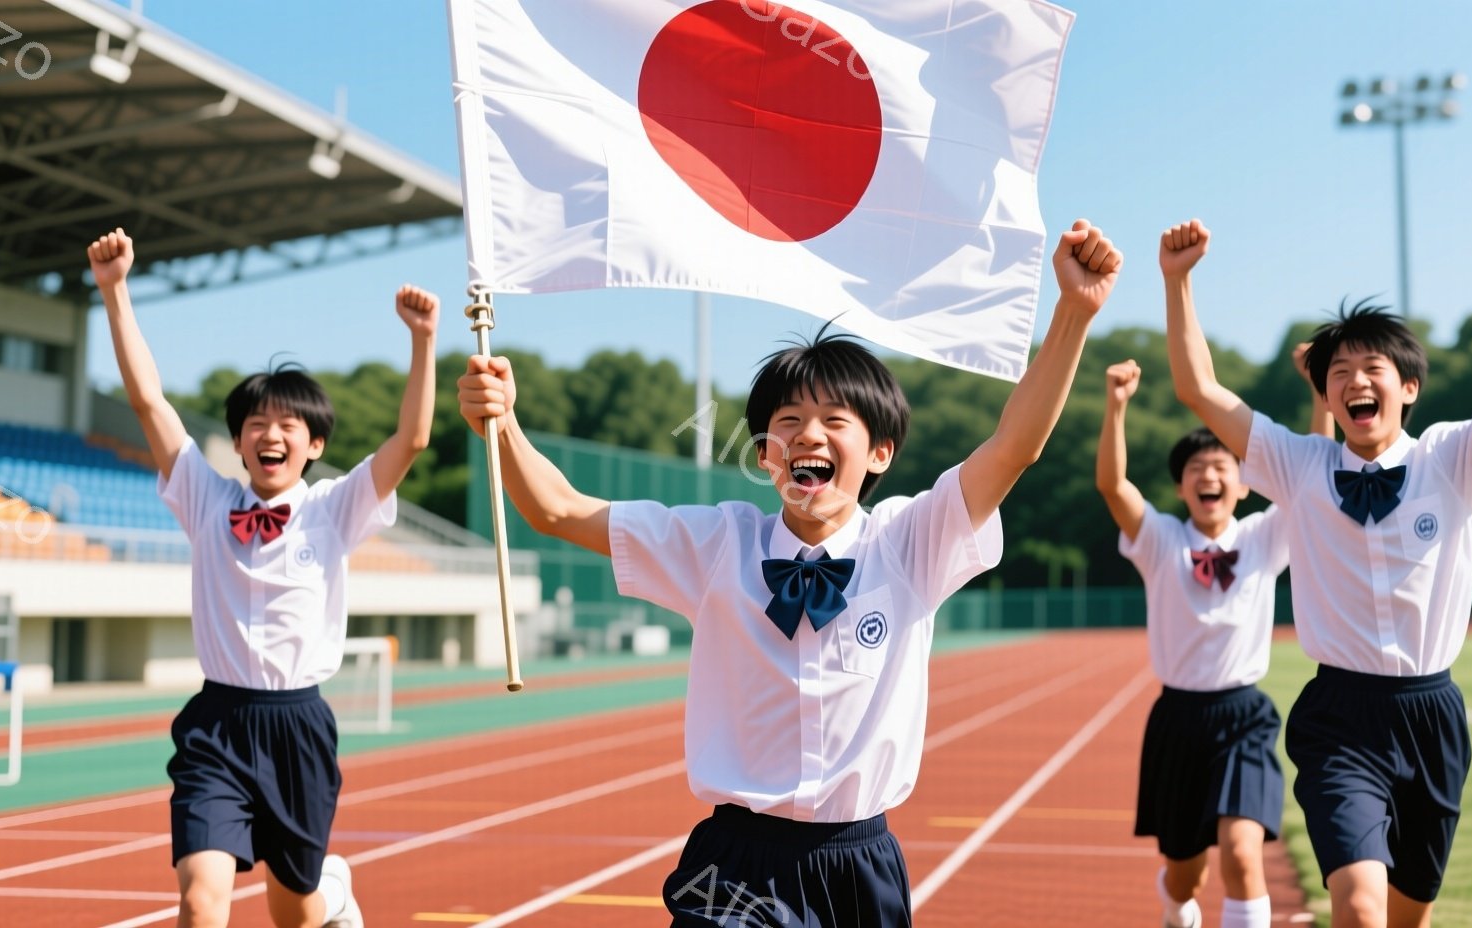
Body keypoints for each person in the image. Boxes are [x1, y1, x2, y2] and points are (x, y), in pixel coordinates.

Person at [457, 220, 1123, 926]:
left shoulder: (909, 542)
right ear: (768, 453)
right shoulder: (717, 543)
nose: (809, 434)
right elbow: (559, 511)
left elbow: (1014, 447)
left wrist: (1073, 313)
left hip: (859, 866)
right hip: (732, 860)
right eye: (788, 420)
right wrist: (504, 427)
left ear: (880, 454)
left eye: (836, 420)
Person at [1159, 215, 1472, 927]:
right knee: (1357, 902)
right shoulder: (1300, 465)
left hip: (1432, 716)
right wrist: (1179, 282)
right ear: (1326, 397)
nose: (1355, 382)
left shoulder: (1451, 459)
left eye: (1371, 369)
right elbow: (1200, 389)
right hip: (1340, 721)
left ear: (1408, 387)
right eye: (1339, 373)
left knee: (1409, 912)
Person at [89, 227, 440, 928]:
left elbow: (412, 441)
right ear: (239, 437)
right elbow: (151, 406)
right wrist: (115, 290)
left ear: (314, 446)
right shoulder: (205, 497)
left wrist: (423, 341)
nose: (269, 434)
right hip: (215, 726)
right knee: (200, 900)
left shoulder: (335, 507)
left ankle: (332, 891)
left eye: (287, 424)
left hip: (297, 726)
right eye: (255, 422)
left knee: (297, 915)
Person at [1098, 350, 1329, 928]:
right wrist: (1116, 407)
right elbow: (1112, 484)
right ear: (1180, 487)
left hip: (1244, 715)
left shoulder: (1264, 536)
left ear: (1245, 484)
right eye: (1197, 468)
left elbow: (1314, 477)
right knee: (1185, 874)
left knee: (1245, 855)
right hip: (1178, 720)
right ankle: (1178, 904)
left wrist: (1320, 395)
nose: (1210, 475)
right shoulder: (1159, 540)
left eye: (1223, 465)